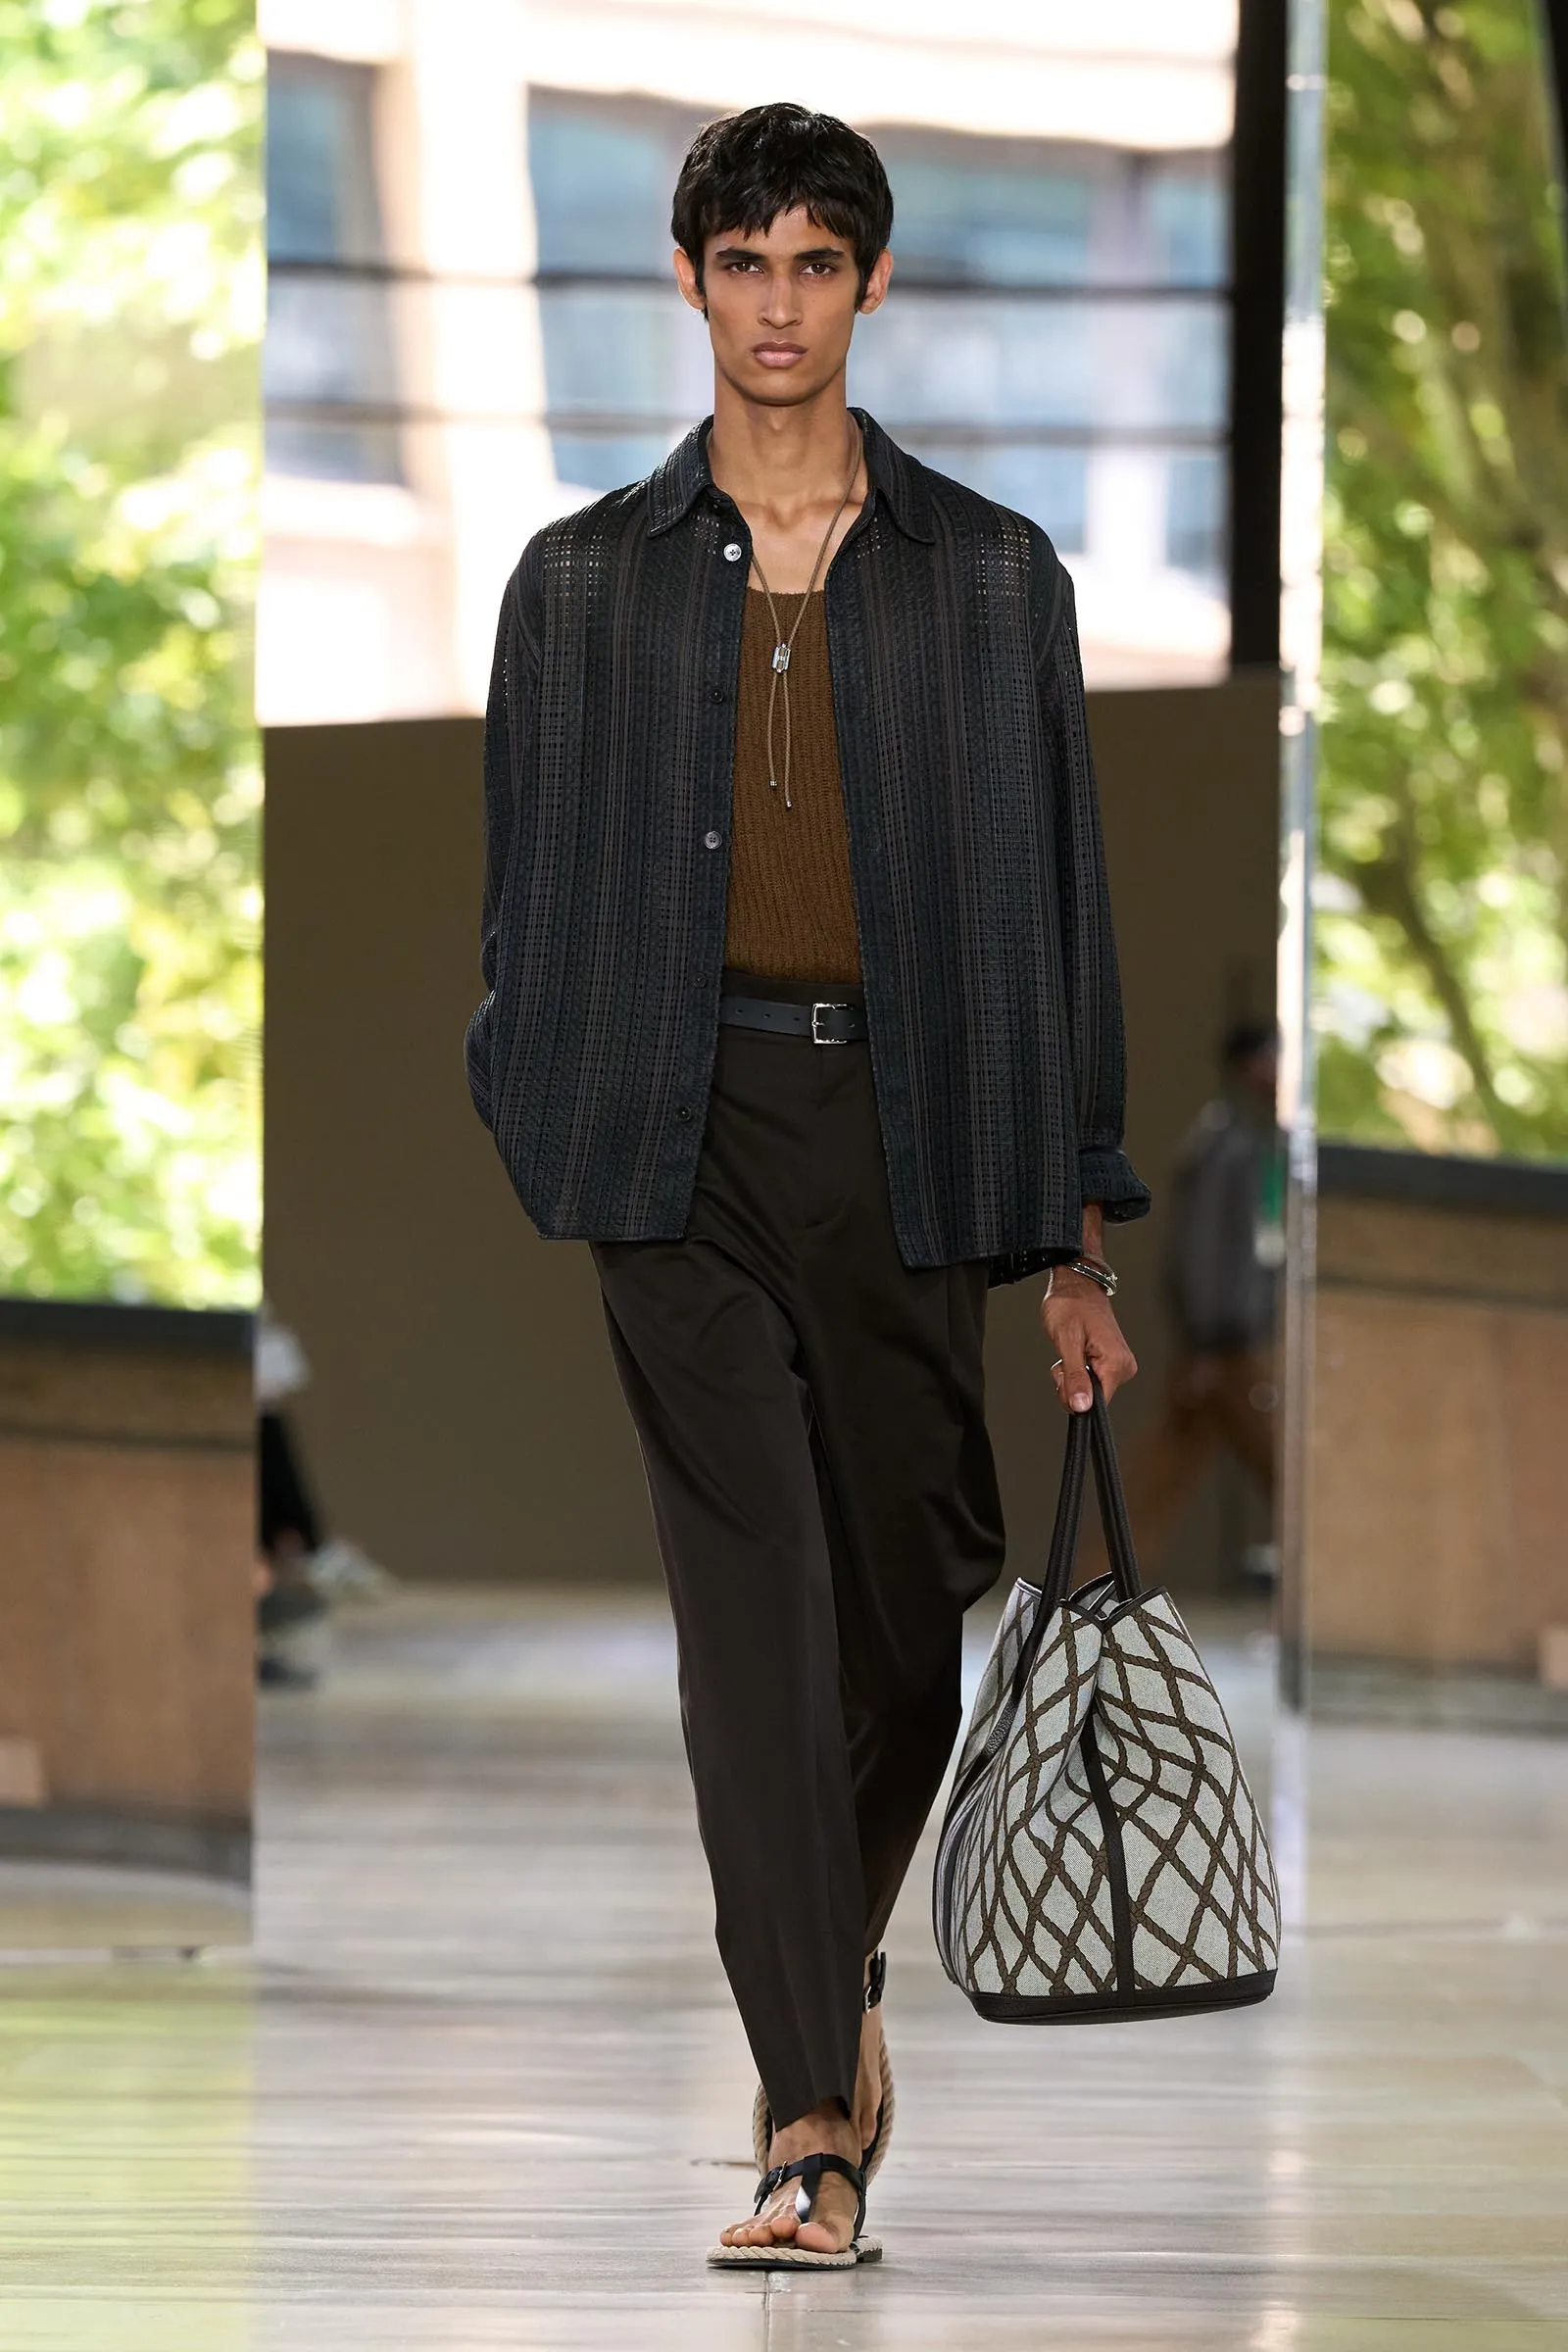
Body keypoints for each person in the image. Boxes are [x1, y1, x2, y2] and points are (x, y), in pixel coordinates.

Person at [466, 103, 1149, 2267]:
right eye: (741, 262)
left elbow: (1059, 908)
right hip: (675, 1142)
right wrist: (547, 1108)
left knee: (905, 1612)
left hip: (909, 1128)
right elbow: (524, 894)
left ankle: (821, 1986)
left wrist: (1076, 1230)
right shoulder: (580, 582)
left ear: (872, 283)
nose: (777, 304)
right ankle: (804, 2118)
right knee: (747, 1619)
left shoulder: (988, 578)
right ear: (686, 281)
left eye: (814, 264)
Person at [1101, 1020, 1283, 1582]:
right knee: (1293, 1478)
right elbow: (1201, 1250)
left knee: (1161, 1479)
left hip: (1230, 1345)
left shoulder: (1244, 1139)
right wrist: (1206, 1344)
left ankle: (1095, 1592)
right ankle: (1095, 1593)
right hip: (1228, 1351)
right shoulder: (1228, 1144)